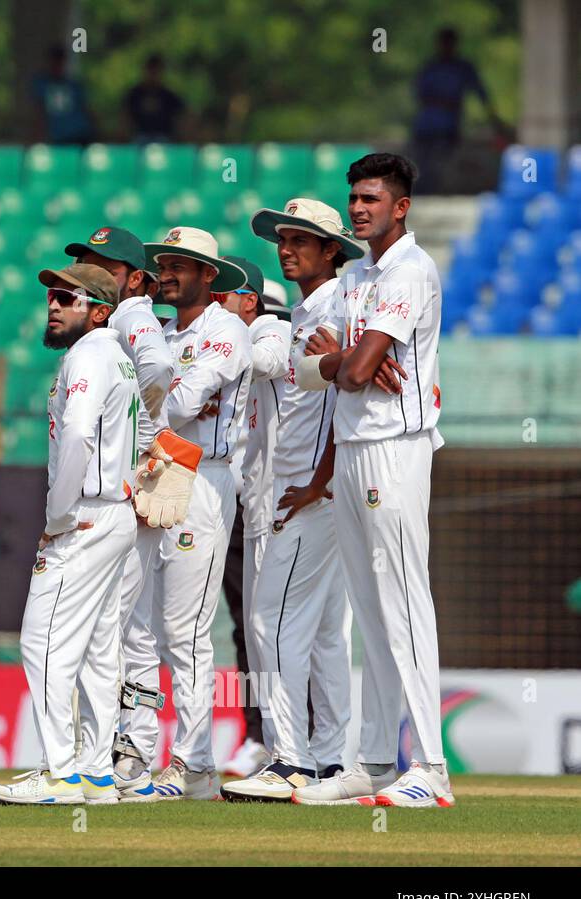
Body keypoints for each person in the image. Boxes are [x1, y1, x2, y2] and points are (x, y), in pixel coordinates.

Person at [289, 155, 452, 808]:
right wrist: (342, 360)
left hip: (395, 449)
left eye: (371, 199)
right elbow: (318, 366)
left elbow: (353, 372)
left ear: (401, 207)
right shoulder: (355, 273)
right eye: (353, 198)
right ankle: (379, 761)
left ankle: (432, 769)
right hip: (353, 447)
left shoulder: (411, 271)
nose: (359, 208)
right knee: (370, 610)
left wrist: (345, 361)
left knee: (404, 603)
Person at [223, 198, 369, 801]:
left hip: (308, 493)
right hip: (312, 490)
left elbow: (342, 403)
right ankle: (333, 759)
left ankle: (291, 760)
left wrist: (319, 482)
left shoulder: (332, 307)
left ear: (330, 250)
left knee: (270, 619)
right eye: (283, 239)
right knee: (327, 632)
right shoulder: (311, 311)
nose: (286, 248)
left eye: (301, 240)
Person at [0, 264, 138, 805]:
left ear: (98, 311)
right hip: (114, 513)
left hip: (87, 515)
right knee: (98, 648)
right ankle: (96, 771)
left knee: (42, 640)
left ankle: (60, 773)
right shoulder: (119, 355)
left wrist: (56, 518)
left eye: (66, 298)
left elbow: (75, 432)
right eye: (50, 295)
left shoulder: (90, 354)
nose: (53, 305)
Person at [66, 226, 200, 803]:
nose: (92, 276)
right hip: (131, 485)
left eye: (106, 267)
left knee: (115, 625)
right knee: (132, 627)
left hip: (129, 485)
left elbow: (159, 368)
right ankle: (133, 752)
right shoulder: (117, 318)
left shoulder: (131, 312)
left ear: (136, 278)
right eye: (86, 265)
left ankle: (122, 755)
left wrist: (144, 434)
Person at [140, 227, 252, 800]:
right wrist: (169, 400)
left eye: (181, 263)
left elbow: (177, 402)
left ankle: (191, 760)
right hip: (156, 469)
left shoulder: (226, 328)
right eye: (163, 262)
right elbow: (166, 403)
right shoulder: (158, 332)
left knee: (186, 630)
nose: (168, 271)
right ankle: (158, 757)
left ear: (210, 275)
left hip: (204, 475)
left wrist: (165, 399)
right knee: (148, 628)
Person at [213, 256, 289, 780]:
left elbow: (267, 355)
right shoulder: (222, 344)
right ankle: (260, 734)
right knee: (248, 628)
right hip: (236, 499)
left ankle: (292, 740)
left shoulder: (272, 335)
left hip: (281, 499)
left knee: (284, 626)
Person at [411, 27, 506, 193]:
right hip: (427, 125)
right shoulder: (431, 67)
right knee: (424, 166)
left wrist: (494, 120)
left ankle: (437, 192)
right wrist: (444, 102)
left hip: (449, 126)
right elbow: (419, 94)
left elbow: (481, 93)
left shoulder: (462, 68)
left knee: (444, 165)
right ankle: (424, 192)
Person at [31, 45, 95, 145]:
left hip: (81, 134)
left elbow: (87, 110)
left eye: (59, 62)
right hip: (59, 138)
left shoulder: (75, 86)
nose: (56, 66)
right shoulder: (41, 85)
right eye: (53, 61)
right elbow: (39, 113)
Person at [124, 54, 185, 143]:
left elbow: (181, 118)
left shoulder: (168, 95)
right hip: (140, 138)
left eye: (156, 71)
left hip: (163, 138)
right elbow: (125, 118)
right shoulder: (134, 94)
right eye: (151, 71)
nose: (153, 75)